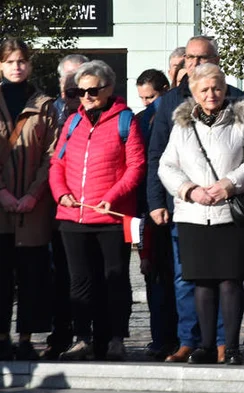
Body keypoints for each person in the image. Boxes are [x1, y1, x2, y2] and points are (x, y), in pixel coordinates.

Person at [147, 36, 244, 363]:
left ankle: (227, 346)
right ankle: (201, 343)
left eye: (216, 88)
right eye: (203, 89)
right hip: (192, 212)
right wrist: (189, 190)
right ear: (193, 91)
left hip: (228, 212)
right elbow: (163, 162)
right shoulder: (181, 120)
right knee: (198, 281)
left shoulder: (242, 115)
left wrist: (229, 185)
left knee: (230, 280)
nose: (210, 94)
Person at [49, 60, 145, 361]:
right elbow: (58, 163)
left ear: (108, 88)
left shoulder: (125, 120)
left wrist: (112, 197)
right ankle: (83, 338)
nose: (86, 96)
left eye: (93, 90)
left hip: (110, 216)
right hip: (73, 216)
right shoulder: (73, 122)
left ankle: (114, 338)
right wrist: (61, 192)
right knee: (80, 280)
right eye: (80, 91)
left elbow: (136, 165)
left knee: (114, 278)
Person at [0, 39, 58, 361]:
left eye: (21, 61)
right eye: (10, 61)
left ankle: (25, 338)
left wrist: (33, 194)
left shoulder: (44, 104)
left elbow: (52, 156)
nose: (17, 67)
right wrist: (3, 193)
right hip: (1, 206)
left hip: (34, 207)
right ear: (1, 65)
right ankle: (1, 337)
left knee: (32, 275)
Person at [41, 53, 87, 360]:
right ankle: (59, 333)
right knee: (56, 274)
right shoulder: (49, 111)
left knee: (83, 273)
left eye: (78, 78)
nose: (71, 84)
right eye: (66, 78)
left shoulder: (94, 111)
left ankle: (89, 334)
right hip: (50, 205)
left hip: (86, 205)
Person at [133, 68, 177, 361]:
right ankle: (160, 337)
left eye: (152, 97)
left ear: (165, 89)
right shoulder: (139, 121)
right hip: (148, 205)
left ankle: (178, 337)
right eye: (143, 99)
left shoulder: (175, 114)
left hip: (175, 198)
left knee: (177, 276)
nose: (148, 103)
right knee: (153, 275)